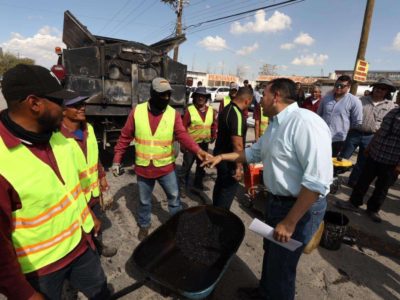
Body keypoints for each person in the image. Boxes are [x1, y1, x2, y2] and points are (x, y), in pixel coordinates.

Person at [203, 78, 332, 300]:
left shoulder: (305, 123)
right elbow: (253, 154)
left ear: (276, 96)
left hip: (298, 208)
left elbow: (316, 182)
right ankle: (265, 292)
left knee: (283, 265)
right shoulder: (276, 124)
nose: (259, 100)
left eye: (263, 95)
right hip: (276, 202)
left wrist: (290, 222)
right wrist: (222, 156)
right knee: (271, 254)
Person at [0, 64, 110, 299]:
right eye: (59, 102)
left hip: (81, 248)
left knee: (101, 292)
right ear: (34, 104)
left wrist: (88, 216)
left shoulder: (59, 139)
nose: (64, 109)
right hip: (41, 271)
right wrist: (24, 294)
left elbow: (70, 189)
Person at [111, 77, 210, 241]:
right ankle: (144, 225)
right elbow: (124, 137)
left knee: (174, 199)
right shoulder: (137, 111)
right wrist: (116, 160)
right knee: (144, 202)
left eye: (168, 95)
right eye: (162, 95)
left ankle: (176, 225)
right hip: (143, 168)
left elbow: (183, 135)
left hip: (166, 168)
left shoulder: (173, 114)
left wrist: (197, 150)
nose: (165, 98)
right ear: (152, 93)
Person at [61, 96, 118, 257]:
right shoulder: (57, 136)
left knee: (95, 223)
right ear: (63, 110)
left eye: (83, 104)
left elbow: (94, 156)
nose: (82, 108)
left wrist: (102, 176)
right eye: (76, 105)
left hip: (92, 193)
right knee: (77, 229)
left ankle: (97, 246)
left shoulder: (87, 129)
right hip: (74, 196)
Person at [337, 106, 400, 223]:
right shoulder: (393, 111)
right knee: (363, 181)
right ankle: (353, 203)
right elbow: (381, 130)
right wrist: (370, 146)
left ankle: (373, 209)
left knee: (382, 187)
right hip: (375, 154)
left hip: (391, 161)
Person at [339, 78, 396, 187]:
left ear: (387, 91)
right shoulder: (361, 100)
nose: (380, 90)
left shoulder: (390, 106)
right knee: (342, 157)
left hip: (371, 137)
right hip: (354, 134)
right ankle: (333, 177)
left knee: (362, 162)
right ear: (374, 88)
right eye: (378, 87)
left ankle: (352, 181)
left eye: (383, 89)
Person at [212, 86, 253, 210]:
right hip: (230, 161)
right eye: (250, 102)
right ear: (247, 100)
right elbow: (238, 144)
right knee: (226, 193)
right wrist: (239, 167)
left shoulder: (226, 109)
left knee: (220, 187)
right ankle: (220, 221)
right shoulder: (237, 114)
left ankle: (215, 213)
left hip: (220, 156)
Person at [179, 87, 217, 197]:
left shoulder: (211, 110)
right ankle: (182, 187)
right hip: (191, 144)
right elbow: (183, 128)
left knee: (201, 166)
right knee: (186, 167)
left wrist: (214, 134)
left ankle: (197, 184)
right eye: (198, 96)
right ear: (194, 97)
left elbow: (214, 124)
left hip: (204, 144)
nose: (201, 98)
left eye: (203, 96)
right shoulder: (189, 110)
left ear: (206, 98)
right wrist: (183, 144)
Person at [317, 75, 363, 156]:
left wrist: (346, 131)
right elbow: (319, 115)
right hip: (322, 136)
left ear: (348, 87)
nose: (338, 87)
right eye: (336, 85)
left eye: (341, 86)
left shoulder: (354, 101)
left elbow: (357, 122)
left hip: (339, 140)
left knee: (332, 162)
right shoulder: (326, 98)